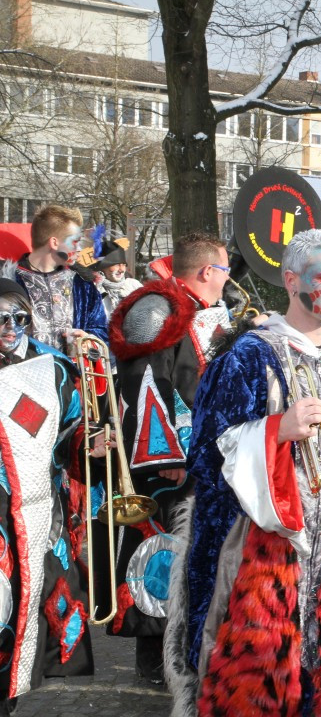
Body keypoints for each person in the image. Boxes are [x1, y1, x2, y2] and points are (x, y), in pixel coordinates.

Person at [166, 229, 321, 714]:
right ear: (291, 281)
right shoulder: (247, 357)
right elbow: (206, 454)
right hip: (264, 548)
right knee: (258, 678)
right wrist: (275, 430)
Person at [103, 232, 232, 685]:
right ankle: (155, 657)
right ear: (205, 271)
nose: (227, 280)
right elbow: (146, 384)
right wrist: (168, 455)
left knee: (195, 551)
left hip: (202, 454)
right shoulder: (157, 307)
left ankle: (189, 645)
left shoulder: (198, 309)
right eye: (225, 271)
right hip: (165, 457)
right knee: (158, 548)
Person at [0, 270, 94, 714]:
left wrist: (90, 447)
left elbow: (71, 436)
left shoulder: (55, 367)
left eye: (18, 316)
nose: (9, 327)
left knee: (25, 615)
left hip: (38, 514)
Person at [14, 204, 107, 351]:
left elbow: (101, 331)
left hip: (71, 372)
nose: (79, 248)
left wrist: (89, 339)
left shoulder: (82, 284)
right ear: (54, 243)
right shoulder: (10, 282)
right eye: (75, 241)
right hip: (24, 372)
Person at [90, 238, 142, 318]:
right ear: (103, 266)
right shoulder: (92, 289)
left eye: (123, 264)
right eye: (117, 264)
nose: (121, 270)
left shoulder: (134, 286)